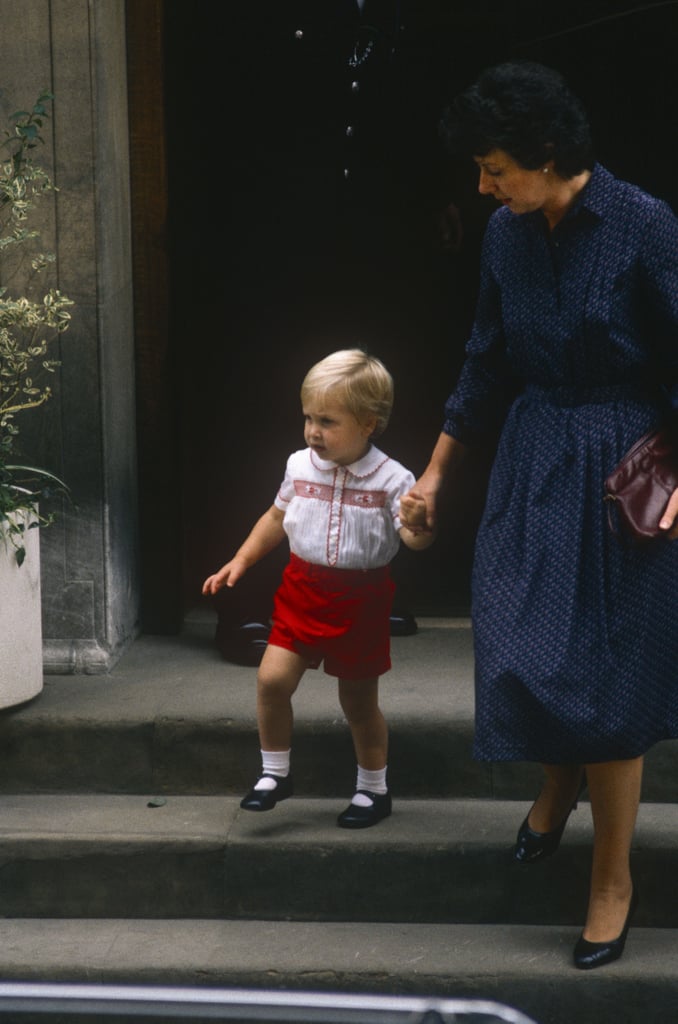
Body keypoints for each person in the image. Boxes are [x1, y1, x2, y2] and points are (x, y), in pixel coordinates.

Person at [401, 61, 678, 968]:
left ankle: (610, 877)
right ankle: (560, 781)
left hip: (626, 466)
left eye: (494, 168)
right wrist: (437, 473)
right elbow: (485, 358)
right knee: (521, 640)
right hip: (534, 455)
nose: (482, 186)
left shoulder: (643, 225)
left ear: (546, 153)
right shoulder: (503, 235)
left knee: (607, 676)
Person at [203, 348, 434, 829]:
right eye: (308, 417)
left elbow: (413, 540)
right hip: (301, 591)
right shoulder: (299, 465)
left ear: (369, 423)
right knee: (271, 680)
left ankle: (373, 790)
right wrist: (240, 560)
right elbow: (275, 516)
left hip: (361, 600)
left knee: (358, 702)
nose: (313, 431)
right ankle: (275, 774)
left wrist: (420, 523)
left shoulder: (393, 479)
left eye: (328, 421)